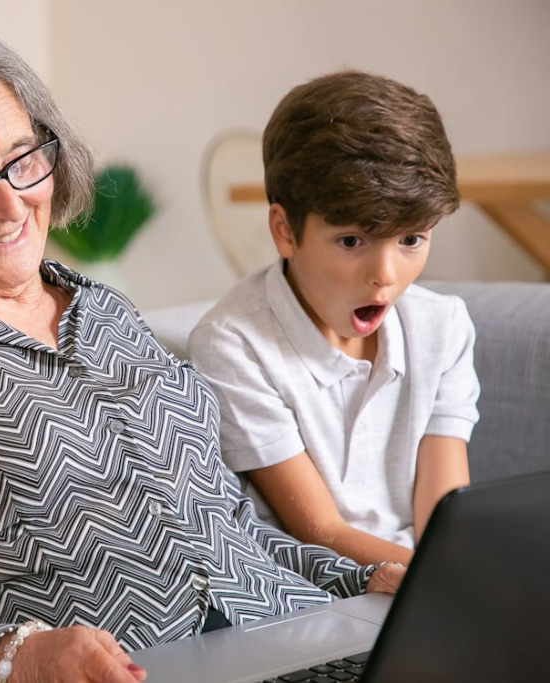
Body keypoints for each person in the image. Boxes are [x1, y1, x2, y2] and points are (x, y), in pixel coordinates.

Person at [0, 15, 405, 683]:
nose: (12, 205)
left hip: (308, 640)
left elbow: (226, 533)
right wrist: (17, 656)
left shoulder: (107, 313)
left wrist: (365, 578)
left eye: (23, 159)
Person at [189, 71, 480, 568]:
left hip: (431, 583)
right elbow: (320, 531)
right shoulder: (234, 346)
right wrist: (454, 583)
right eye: (351, 241)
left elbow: (445, 517)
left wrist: (464, 582)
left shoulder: (443, 327)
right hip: (321, 593)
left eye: (411, 240)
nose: (384, 277)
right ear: (284, 231)